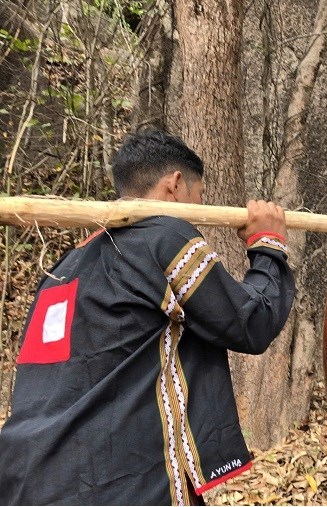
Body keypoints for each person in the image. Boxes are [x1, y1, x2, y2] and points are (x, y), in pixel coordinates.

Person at [0, 130, 296, 505]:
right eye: (199, 194)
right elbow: (251, 324)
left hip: (26, 478)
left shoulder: (66, 265)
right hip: (117, 487)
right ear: (175, 185)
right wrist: (269, 245)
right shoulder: (163, 235)